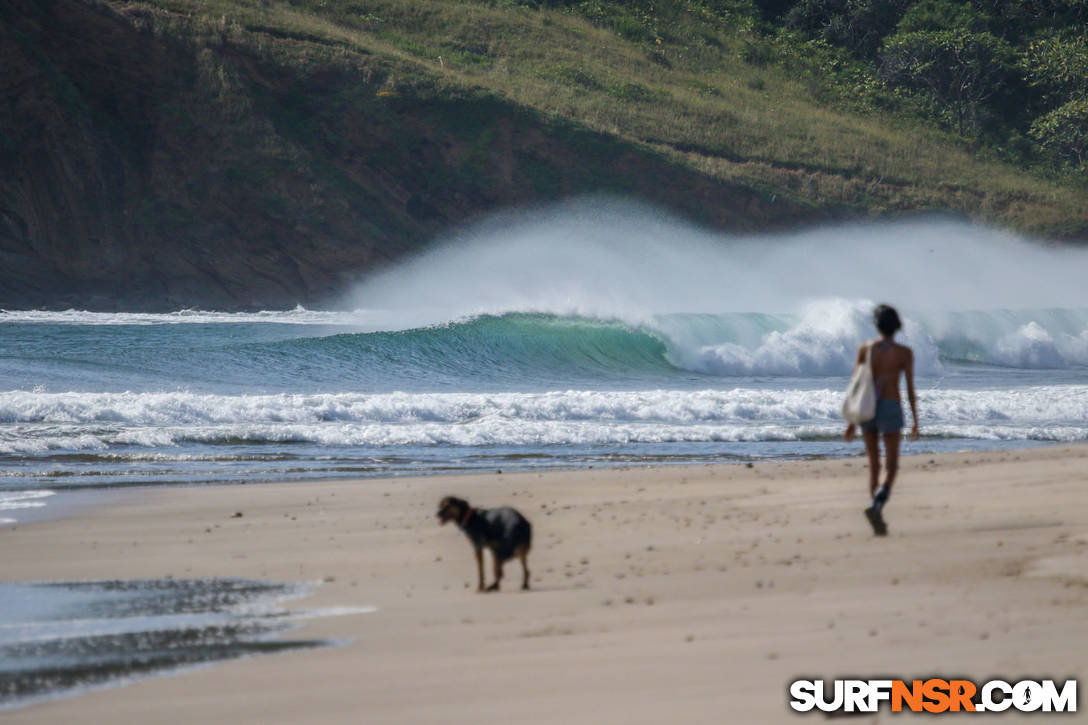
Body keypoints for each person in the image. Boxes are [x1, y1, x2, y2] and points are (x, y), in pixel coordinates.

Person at [844, 304, 919, 536]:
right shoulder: (904, 353)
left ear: (877, 325)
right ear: (896, 326)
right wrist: (916, 420)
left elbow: (856, 386)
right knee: (892, 465)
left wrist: (851, 422)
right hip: (890, 407)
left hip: (867, 408)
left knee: (874, 466)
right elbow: (909, 389)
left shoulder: (865, 349)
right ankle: (877, 505)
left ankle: (876, 513)